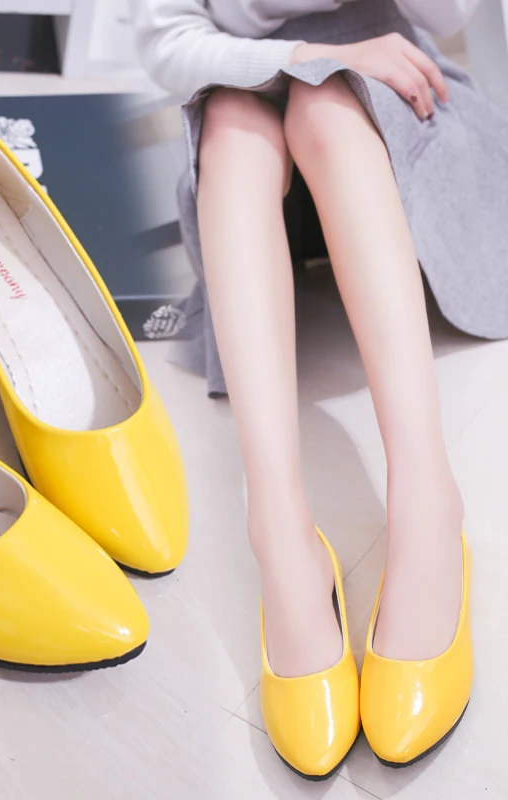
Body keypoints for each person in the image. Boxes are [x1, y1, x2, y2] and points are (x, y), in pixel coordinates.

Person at [133, 0, 497, 777]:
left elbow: (451, 14)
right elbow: (167, 45)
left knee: (325, 104)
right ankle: (280, 536)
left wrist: (340, 58)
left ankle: (426, 505)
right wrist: (299, 50)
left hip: (391, 113)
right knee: (231, 121)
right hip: (250, 116)